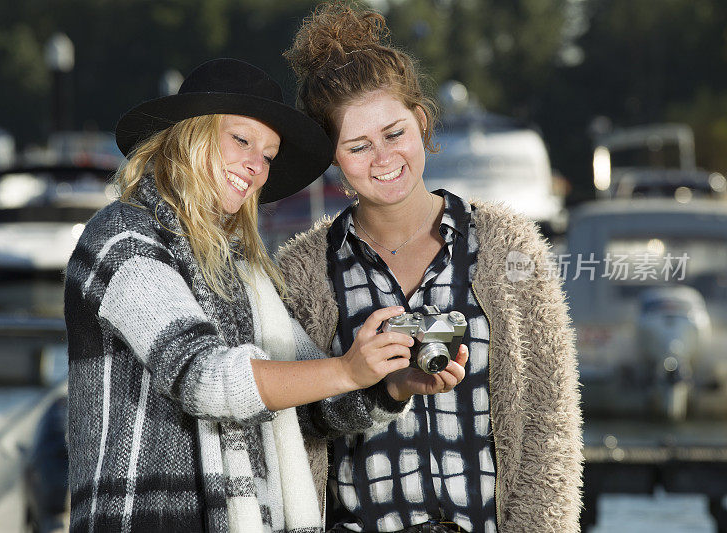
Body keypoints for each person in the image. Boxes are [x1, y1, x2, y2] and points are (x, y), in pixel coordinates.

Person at [64, 58, 466, 533]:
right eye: (241, 140)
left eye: (269, 155)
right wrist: (344, 368)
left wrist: (392, 383)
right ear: (190, 134)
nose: (257, 166)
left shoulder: (242, 269)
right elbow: (205, 378)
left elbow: (308, 400)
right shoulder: (121, 238)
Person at [277, 5, 584, 533]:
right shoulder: (302, 271)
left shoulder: (510, 247)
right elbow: (291, 426)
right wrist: (378, 383)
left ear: (421, 122)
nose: (383, 158)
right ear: (334, 157)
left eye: (394, 133)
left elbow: (547, 430)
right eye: (357, 145)